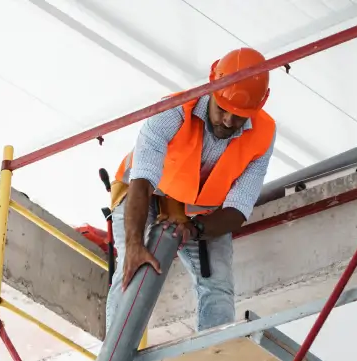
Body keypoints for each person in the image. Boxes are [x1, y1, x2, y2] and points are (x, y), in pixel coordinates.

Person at [105, 47, 276, 334]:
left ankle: (214, 357)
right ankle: (114, 359)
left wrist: (194, 229)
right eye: (223, 109)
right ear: (211, 87)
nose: (229, 122)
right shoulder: (171, 112)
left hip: (202, 215)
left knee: (218, 284)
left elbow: (238, 208)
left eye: (240, 115)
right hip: (147, 194)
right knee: (133, 268)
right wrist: (135, 245)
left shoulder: (264, 134)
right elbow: (142, 180)